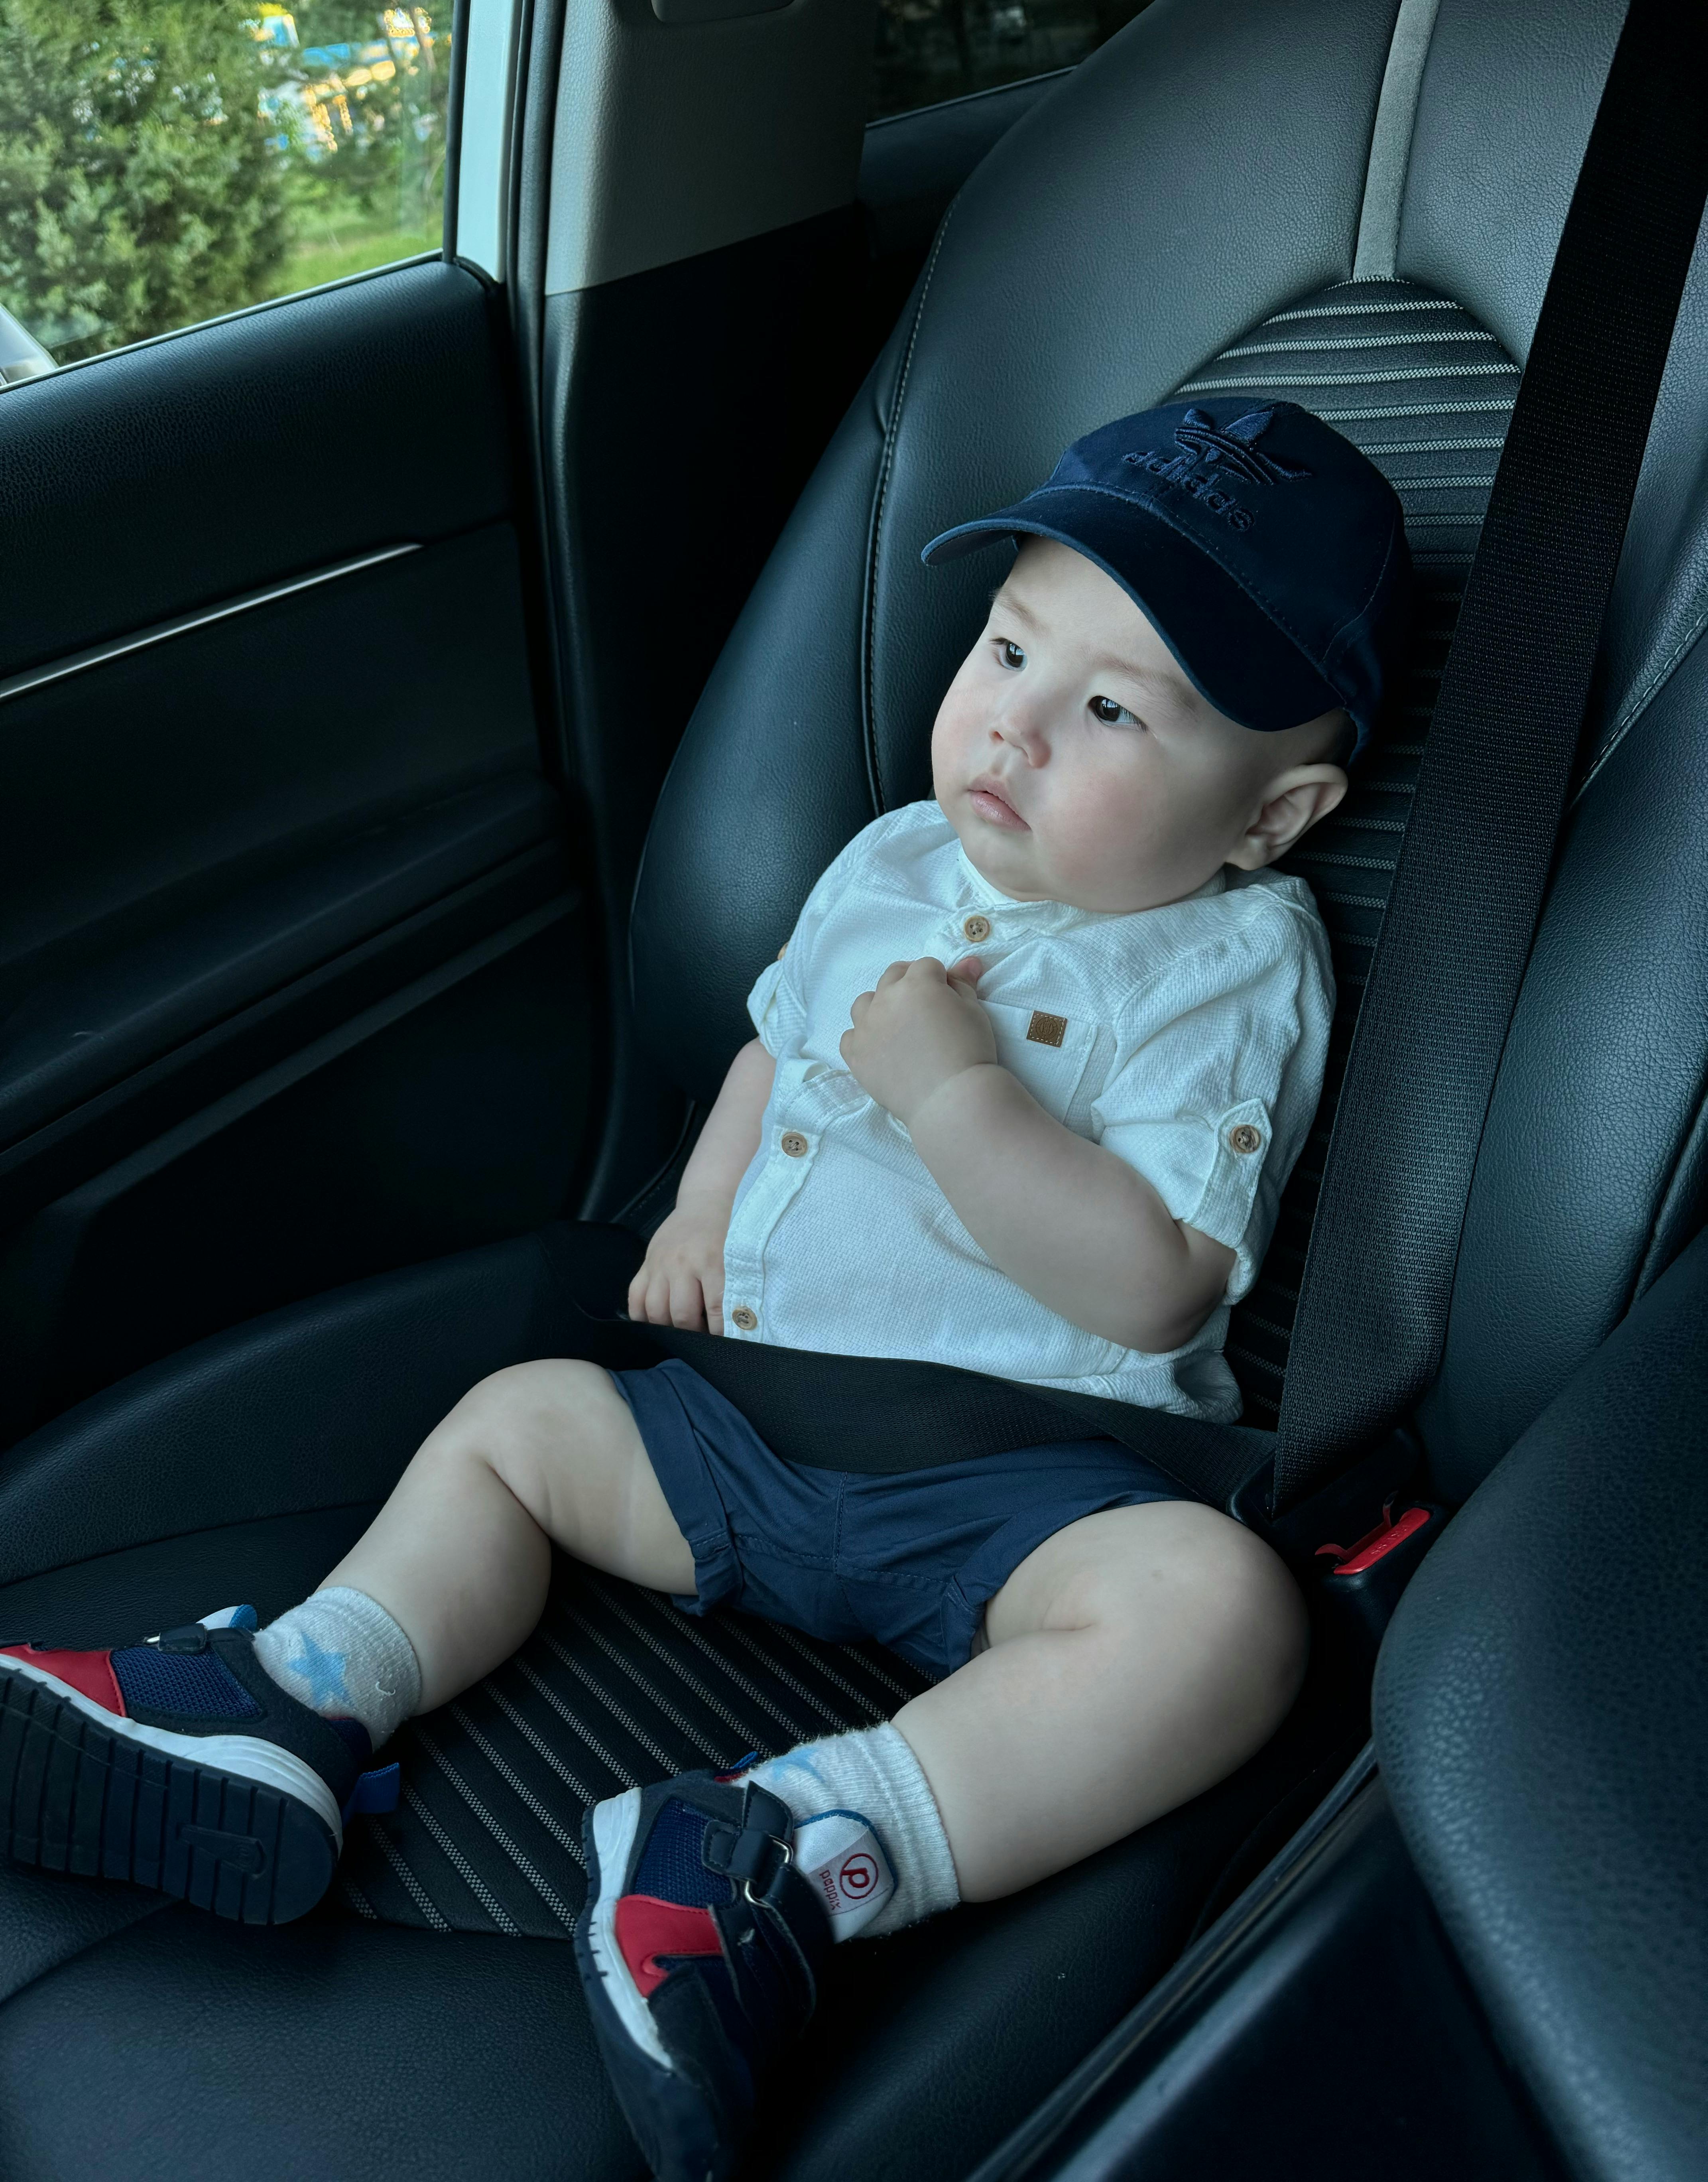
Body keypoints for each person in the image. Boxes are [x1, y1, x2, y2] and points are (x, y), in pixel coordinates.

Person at [0, 398, 1408, 2182]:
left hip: (1026, 1501)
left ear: (1272, 815)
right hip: (748, 1431)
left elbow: (1150, 1284)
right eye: (1008, 648)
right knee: (520, 1427)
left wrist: (953, 1090)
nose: (1015, 725)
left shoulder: (1228, 960)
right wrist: (703, 1210)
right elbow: (772, 1050)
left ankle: (786, 1848)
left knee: (1220, 1620)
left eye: (1113, 710)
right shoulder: (895, 861)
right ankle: (306, 1691)